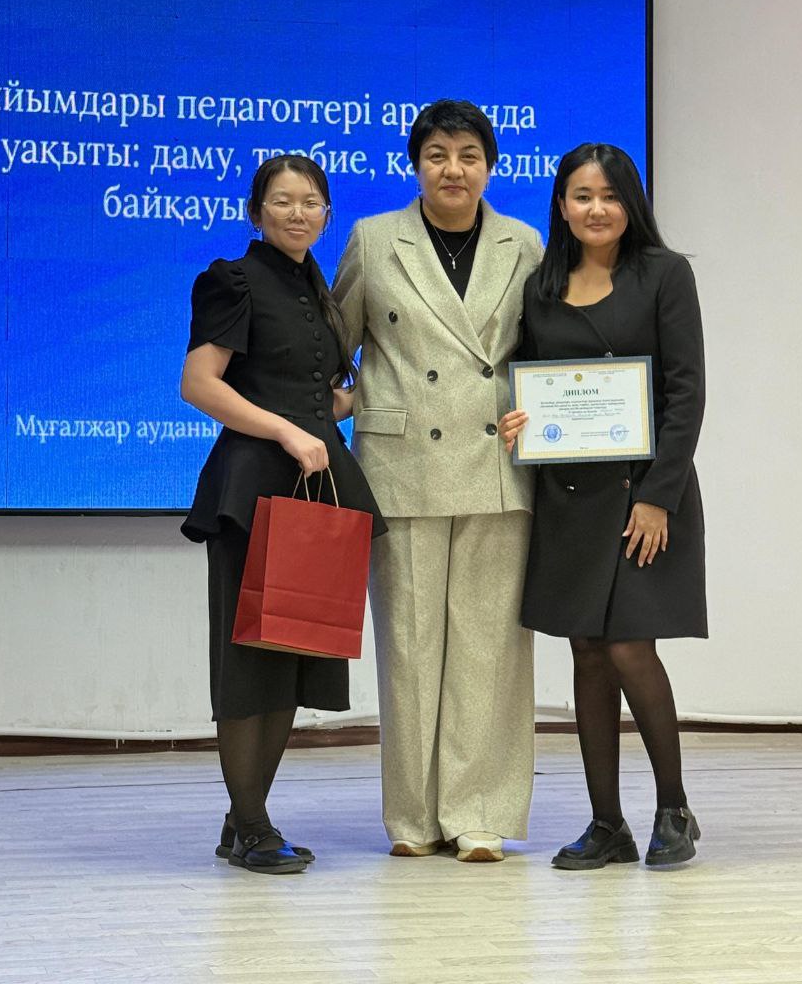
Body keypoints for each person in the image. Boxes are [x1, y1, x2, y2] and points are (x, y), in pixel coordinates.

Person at [333, 99, 543, 862]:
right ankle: (414, 817)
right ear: (415, 164)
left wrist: (544, 414)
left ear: (491, 166)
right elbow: (336, 340)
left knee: (491, 648)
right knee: (410, 646)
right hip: (402, 464)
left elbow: (543, 350)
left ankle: (478, 812)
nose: (453, 170)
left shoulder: (525, 243)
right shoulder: (373, 238)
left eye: (468, 155)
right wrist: (331, 402)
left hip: (496, 464)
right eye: (437, 155)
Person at [500, 142, 706, 870]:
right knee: (586, 649)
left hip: (644, 494)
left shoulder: (665, 273)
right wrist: (515, 420)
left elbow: (686, 394)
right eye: (582, 196)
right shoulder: (542, 285)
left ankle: (673, 809)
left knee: (628, 646)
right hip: (569, 496)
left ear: (631, 203)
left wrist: (658, 498)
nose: (596, 209)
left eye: (610, 195)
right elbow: (528, 377)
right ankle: (606, 823)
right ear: (561, 205)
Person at [180, 154, 385, 875]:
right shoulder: (232, 278)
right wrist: (286, 431)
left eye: (311, 202)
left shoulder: (314, 287)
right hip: (252, 489)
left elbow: (314, 393)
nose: (298, 213)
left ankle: (245, 821)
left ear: (326, 214)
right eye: (282, 201)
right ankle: (252, 824)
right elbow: (199, 384)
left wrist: (366, 396)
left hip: (313, 489)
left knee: (292, 657)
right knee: (248, 662)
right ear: (256, 211)